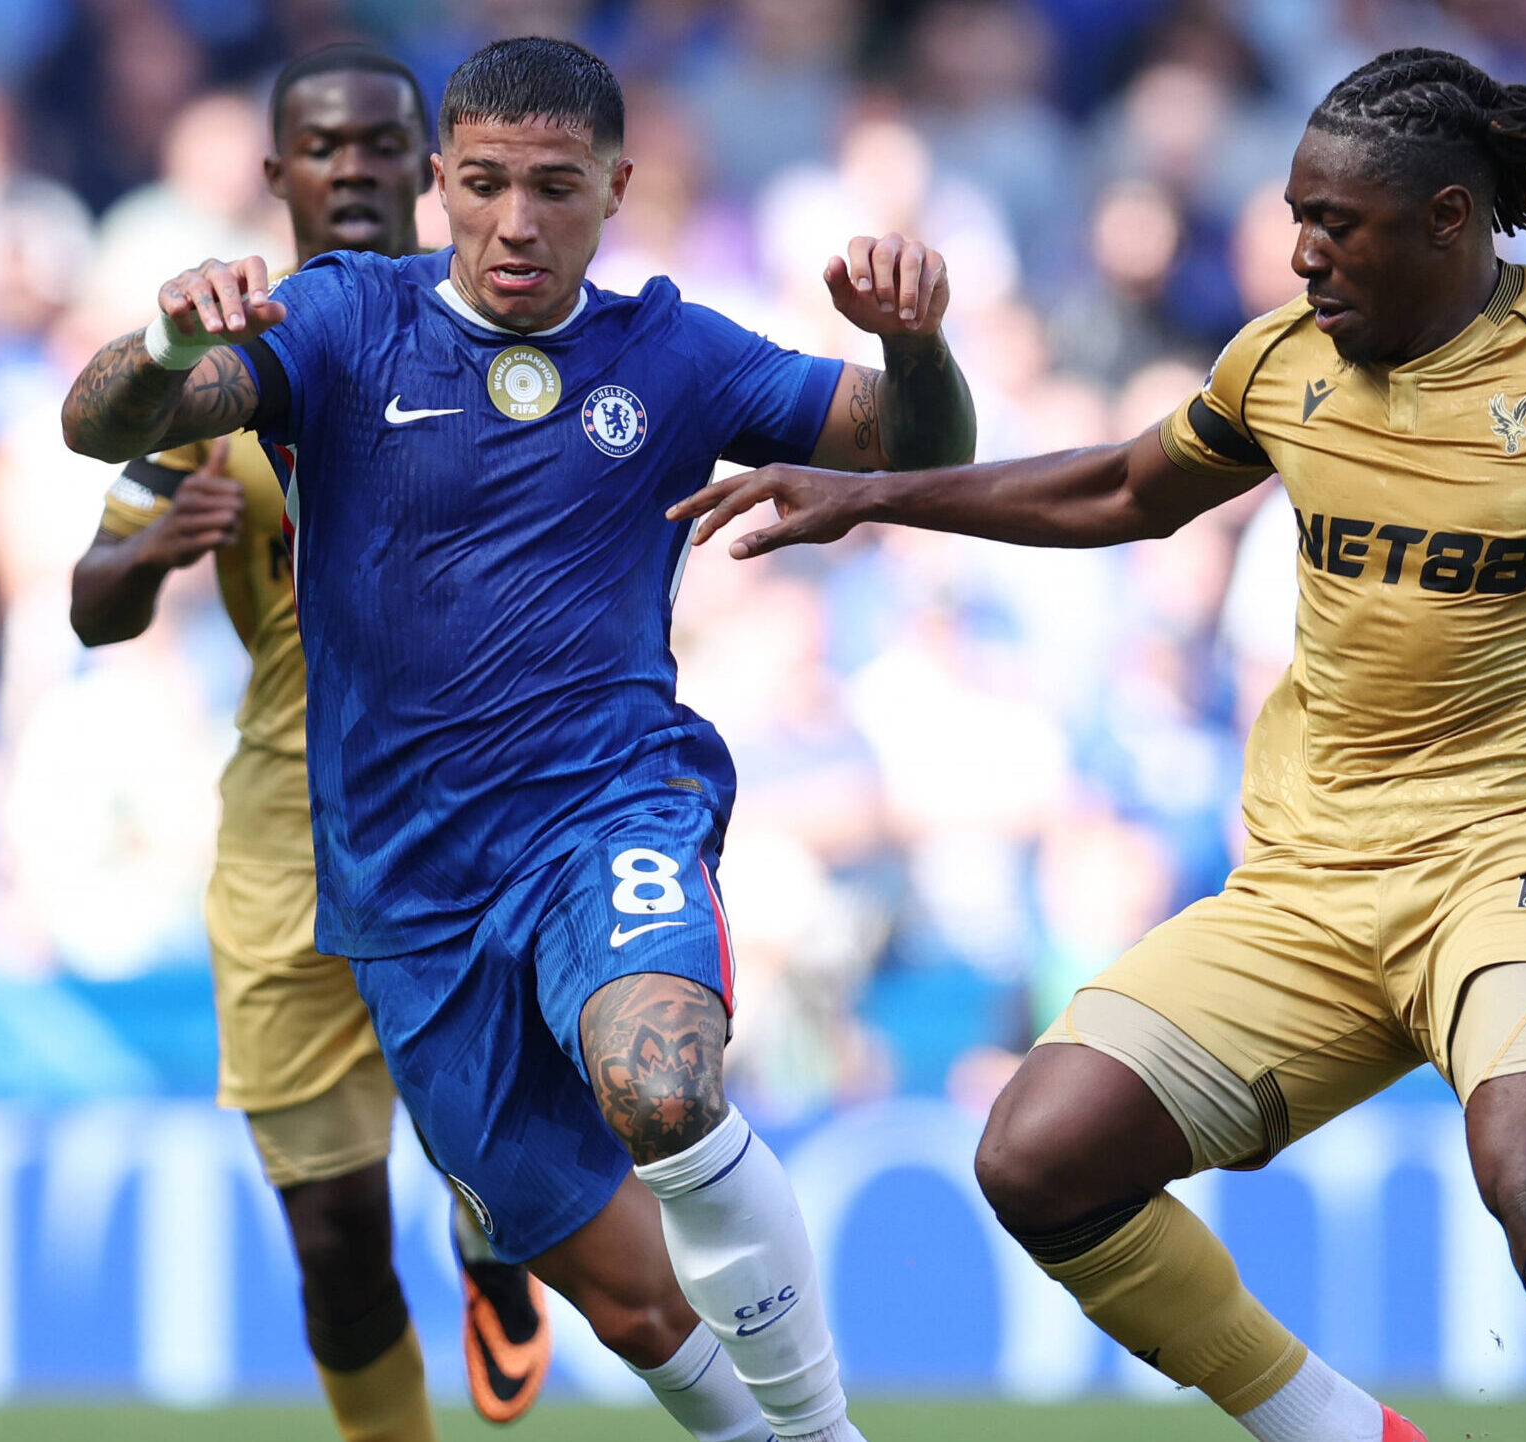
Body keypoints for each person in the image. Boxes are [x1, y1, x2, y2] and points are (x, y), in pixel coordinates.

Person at [673, 47, 1526, 1442]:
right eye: (1297, 214)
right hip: (1311, 884)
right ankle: (1345, 1429)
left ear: (1450, 221)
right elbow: (1121, 486)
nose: (1301, 251)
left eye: (1337, 222)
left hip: (1519, 869)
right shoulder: (1284, 361)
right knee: (1039, 1152)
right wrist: (876, 493)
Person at [61, 36, 976, 1442]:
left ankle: (823, 1432)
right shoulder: (343, 324)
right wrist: (173, 336)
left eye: (557, 187)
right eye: (484, 183)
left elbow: (915, 442)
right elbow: (100, 421)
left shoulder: (670, 350)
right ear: (442, 186)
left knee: (664, 1083)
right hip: (409, 896)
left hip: (603, 818)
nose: (517, 221)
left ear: (616, 188)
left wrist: (913, 342)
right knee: (634, 1306)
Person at [67, 45, 549, 1438]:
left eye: (382, 144)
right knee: (335, 1247)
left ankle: (496, 1248)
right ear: (277, 174)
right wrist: (152, 549)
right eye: (323, 148)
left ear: (431, 167)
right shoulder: (222, 374)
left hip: (482, 832)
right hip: (295, 833)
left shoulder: (515, 336)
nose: (354, 169)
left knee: (506, 1172)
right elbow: (89, 609)